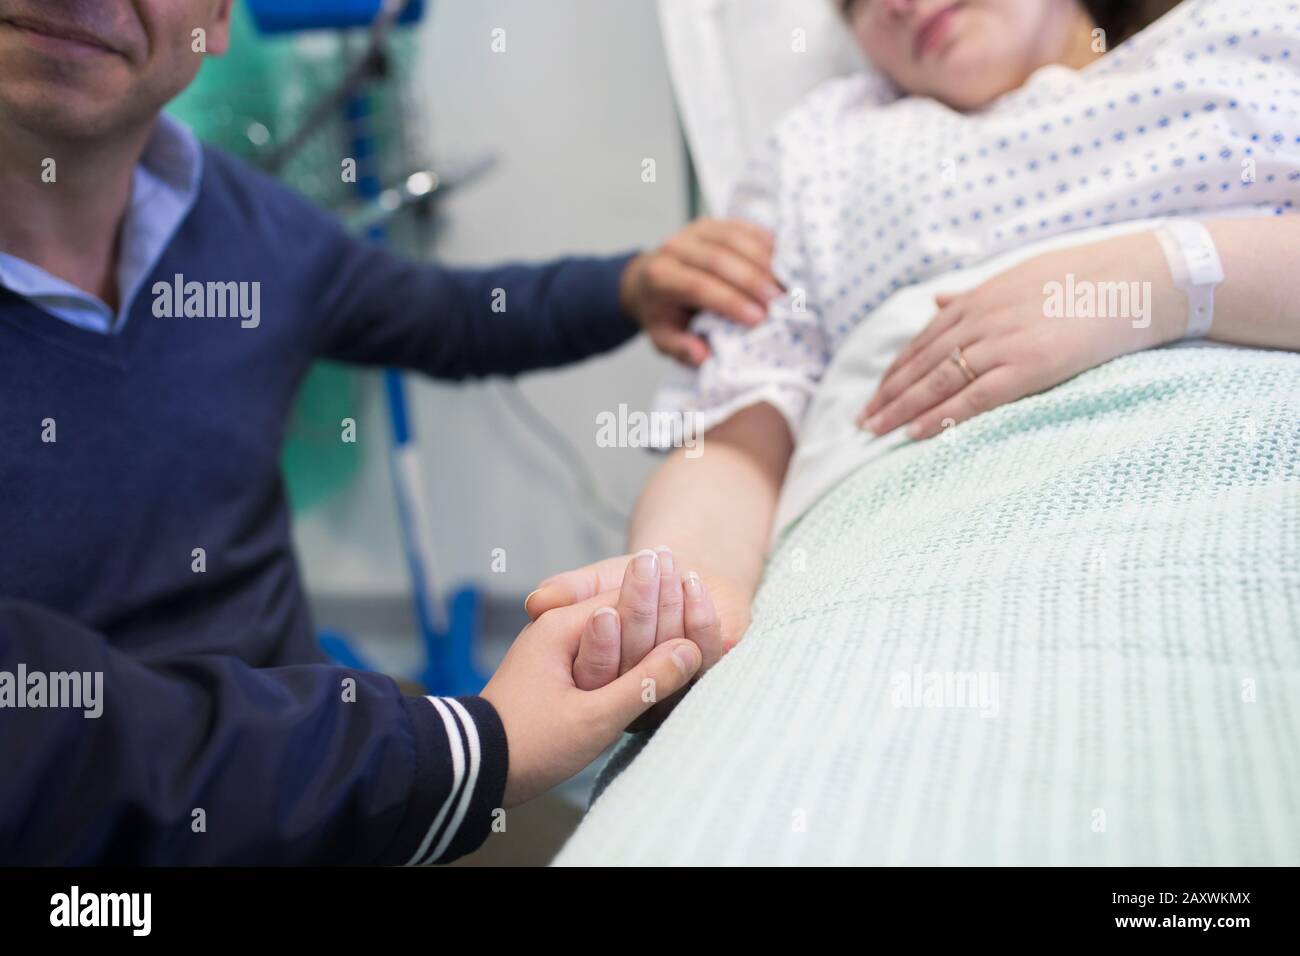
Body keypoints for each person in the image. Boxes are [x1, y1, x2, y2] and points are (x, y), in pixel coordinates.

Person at [0, 0, 765, 864]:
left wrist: (633, 284)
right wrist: (470, 749)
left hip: (329, 792)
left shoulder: (253, 232)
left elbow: (452, 316)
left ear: (216, 19)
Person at [526, 0, 1300, 670]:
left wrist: (1164, 278)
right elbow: (737, 439)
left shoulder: (1249, 32)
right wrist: (690, 588)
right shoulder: (821, 152)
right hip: (899, 572)